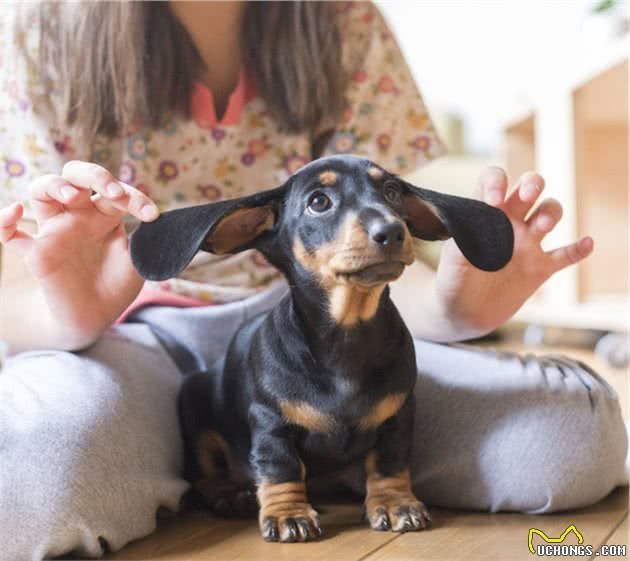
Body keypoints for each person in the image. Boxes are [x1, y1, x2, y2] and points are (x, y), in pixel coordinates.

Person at [0, 2, 626, 559]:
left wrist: (453, 308)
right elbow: (14, 291)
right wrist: (68, 314)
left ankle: (303, 474)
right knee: (28, 478)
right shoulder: (39, 30)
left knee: (575, 434)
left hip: (338, 338)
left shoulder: (343, 21)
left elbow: (374, 239)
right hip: (134, 337)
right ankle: (234, 471)